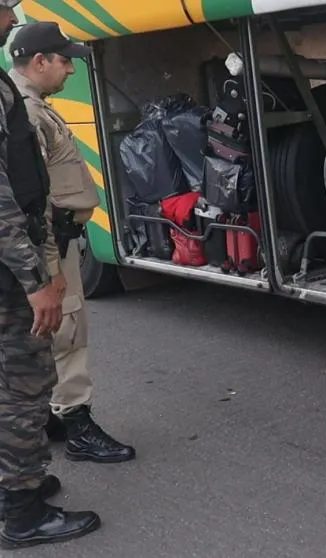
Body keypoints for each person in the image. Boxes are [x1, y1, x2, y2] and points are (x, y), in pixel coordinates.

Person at [9, 21, 136, 464]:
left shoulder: (35, 106)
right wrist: (52, 268)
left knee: (48, 333)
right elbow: (35, 198)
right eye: (64, 61)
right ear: (39, 61)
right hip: (51, 244)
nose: (71, 70)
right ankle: (77, 423)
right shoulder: (26, 112)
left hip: (52, 241)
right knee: (67, 332)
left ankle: (50, 417)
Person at [0, 1, 101, 549]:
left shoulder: (16, 96)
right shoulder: (16, 103)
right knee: (26, 380)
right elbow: (12, 198)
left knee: (22, 376)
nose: (11, 14)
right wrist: (39, 274)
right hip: (23, 263)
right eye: (65, 61)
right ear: (39, 60)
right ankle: (22, 511)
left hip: (25, 256)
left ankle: (23, 486)